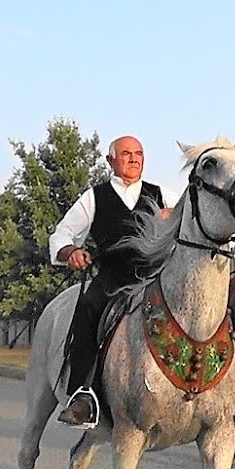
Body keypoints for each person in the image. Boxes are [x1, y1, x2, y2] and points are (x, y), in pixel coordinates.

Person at [51, 135, 180, 428]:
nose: (134, 158)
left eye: (138, 153)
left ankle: (224, 387)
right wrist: (71, 251)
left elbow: (191, 214)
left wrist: (174, 215)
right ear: (111, 161)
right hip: (112, 280)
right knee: (87, 308)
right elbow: (61, 234)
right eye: (126, 153)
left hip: (156, 278)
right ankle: (82, 394)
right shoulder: (94, 197)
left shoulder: (161, 193)